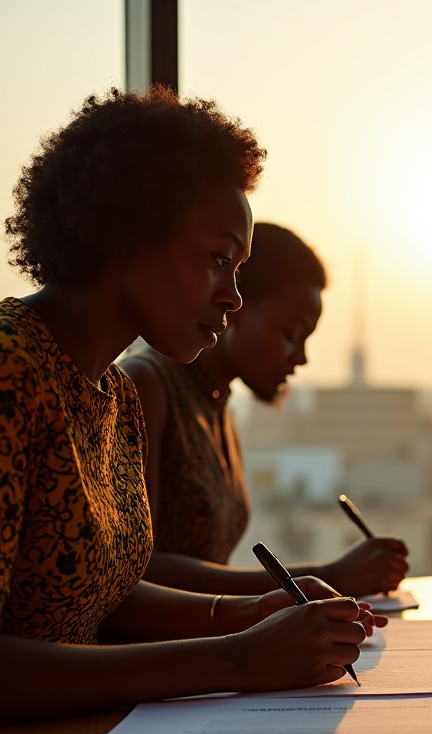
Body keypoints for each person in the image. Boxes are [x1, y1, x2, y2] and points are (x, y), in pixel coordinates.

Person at [0, 87, 376, 723]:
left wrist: (249, 613)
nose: (232, 297)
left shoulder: (113, 395)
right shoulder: (10, 368)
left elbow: (99, 597)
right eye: (218, 260)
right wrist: (234, 659)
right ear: (127, 229)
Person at [121, 223, 409, 598]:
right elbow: (138, 570)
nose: (301, 358)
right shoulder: (147, 384)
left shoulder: (217, 403)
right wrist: (326, 576)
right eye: (291, 333)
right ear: (235, 304)